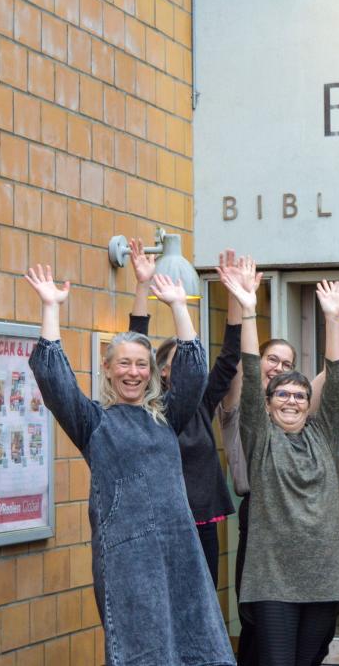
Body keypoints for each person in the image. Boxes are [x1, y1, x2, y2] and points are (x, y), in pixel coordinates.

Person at [24, 264, 234, 666]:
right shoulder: (93, 422)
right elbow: (55, 383)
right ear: (107, 369)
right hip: (128, 563)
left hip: (180, 553)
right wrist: (50, 308)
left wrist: (178, 306)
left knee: (197, 649)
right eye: (123, 364)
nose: (133, 373)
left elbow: (193, 375)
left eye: (141, 364)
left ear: (152, 372)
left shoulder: (167, 417)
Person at [219, 258, 339, 666]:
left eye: (299, 394)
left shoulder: (321, 433)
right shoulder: (260, 437)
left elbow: (334, 378)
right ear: (267, 403)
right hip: (272, 576)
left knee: (309, 660)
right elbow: (249, 371)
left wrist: (333, 318)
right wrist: (248, 309)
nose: (292, 400)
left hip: (324, 573)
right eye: (282, 394)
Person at [124, 239, 237, 588]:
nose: (189, 370)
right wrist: (143, 285)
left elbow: (229, 358)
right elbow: (135, 344)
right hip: (158, 522)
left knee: (203, 598)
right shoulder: (146, 405)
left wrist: (235, 296)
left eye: (193, 365)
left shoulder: (201, 402)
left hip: (201, 520)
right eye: (180, 363)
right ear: (163, 370)